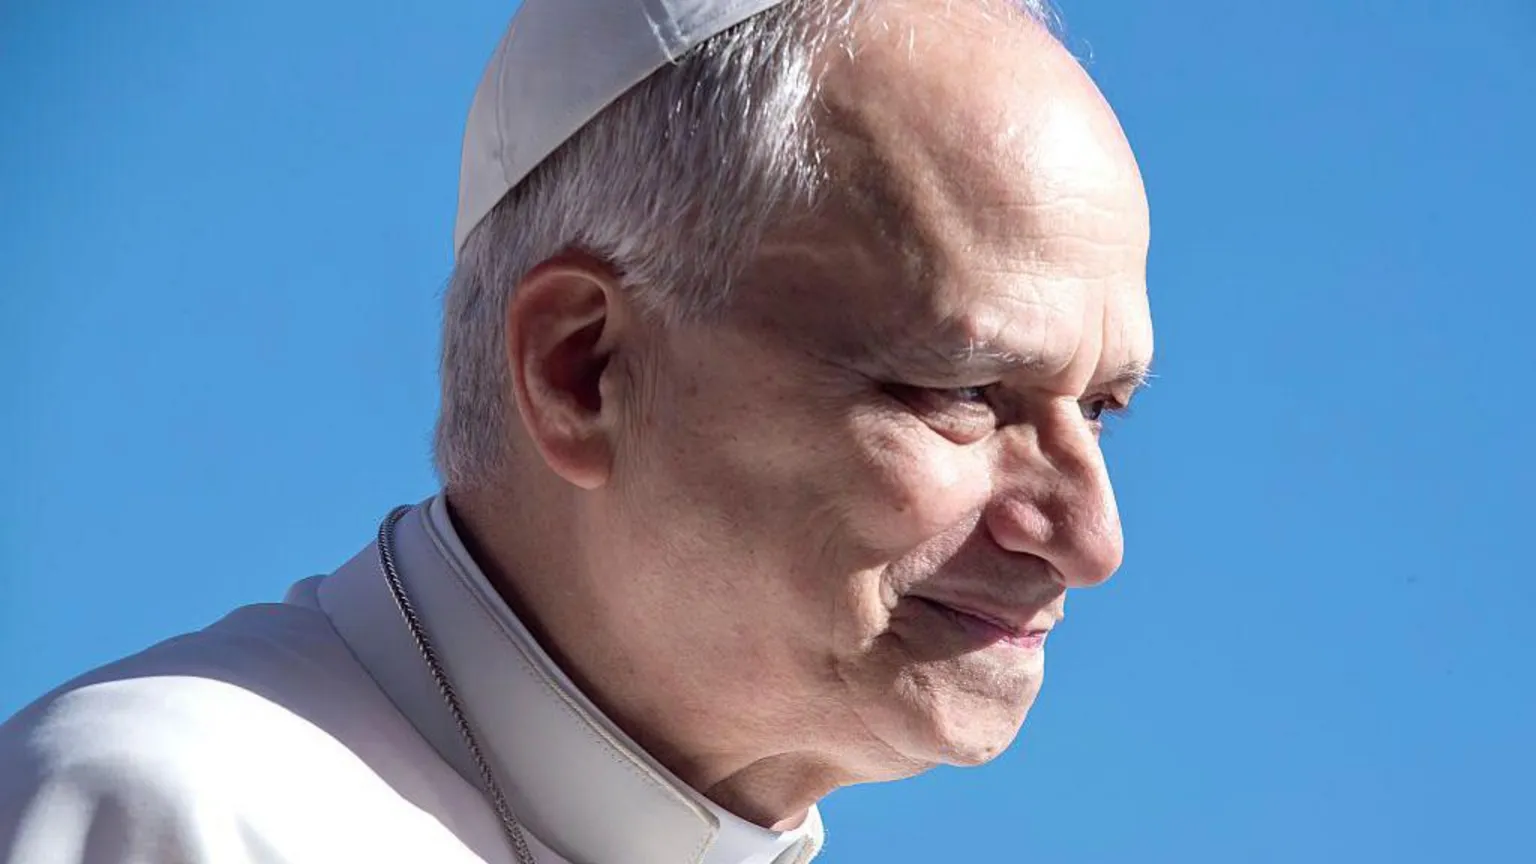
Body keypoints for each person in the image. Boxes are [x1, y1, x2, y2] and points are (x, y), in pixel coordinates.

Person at [0, 0, 1154, 861]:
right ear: (582, 369)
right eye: (963, 390)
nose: (1089, 540)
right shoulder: (177, 815)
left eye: (1101, 407)